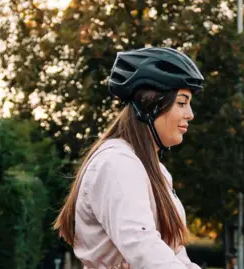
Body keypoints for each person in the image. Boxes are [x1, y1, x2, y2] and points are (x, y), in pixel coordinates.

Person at [53, 47, 205, 269]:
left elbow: (173, 253)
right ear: (151, 105)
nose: (190, 114)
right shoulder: (117, 163)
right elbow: (143, 247)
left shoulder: (155, 171)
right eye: (181, 102)